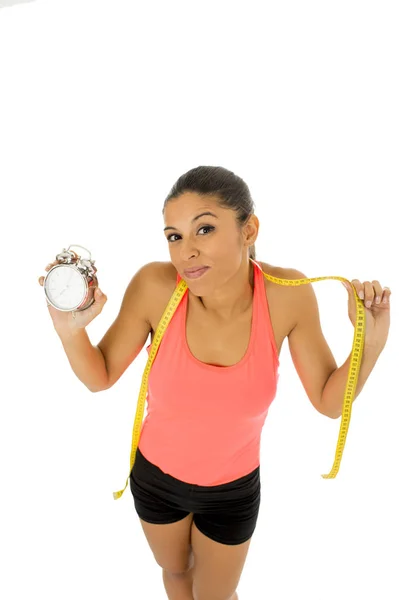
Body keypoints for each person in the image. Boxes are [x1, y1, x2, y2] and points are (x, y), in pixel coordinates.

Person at [38, 165, 389, 600]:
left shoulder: (288, 295)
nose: (185, 252)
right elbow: (100, 376)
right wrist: (70, 331)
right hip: (156, 480)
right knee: (176, 574)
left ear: (249, 229)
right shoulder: (155, 287)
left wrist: (368, 346)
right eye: (174, 236)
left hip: (232, 492)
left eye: (203, 229)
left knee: (216, 596)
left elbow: (327, 402)